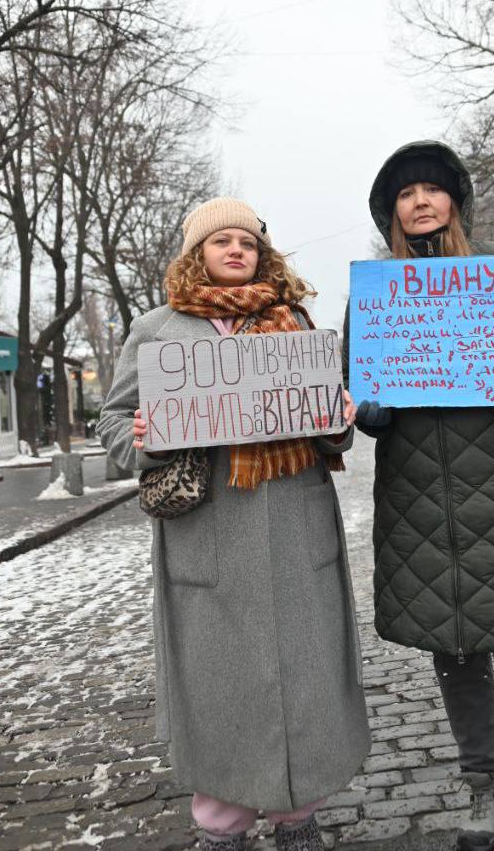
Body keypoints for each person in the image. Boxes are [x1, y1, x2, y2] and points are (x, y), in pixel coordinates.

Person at [98, 198, 370, 851]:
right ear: (197, 254)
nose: (235, 249)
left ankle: (299, 817)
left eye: (246, 241)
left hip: (293, 532)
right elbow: (113, 425)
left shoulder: (298, 324)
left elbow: (328, 428)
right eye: (220, 240)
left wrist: (338, 419)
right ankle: (222, 830)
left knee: (305, 679)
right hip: (208, 541)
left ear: (262, 253)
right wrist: (146, 440)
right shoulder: (159, 330)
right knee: (220, 695)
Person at [345, 143, 494, 851]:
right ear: (391, 215)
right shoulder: (378, 292)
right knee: (458, 653)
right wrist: (368, 408)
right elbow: (355, 381)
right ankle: (487, 788)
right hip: (424, 506)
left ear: (455, 201)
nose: (419, 202)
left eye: (431, 190)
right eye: (404, 195)